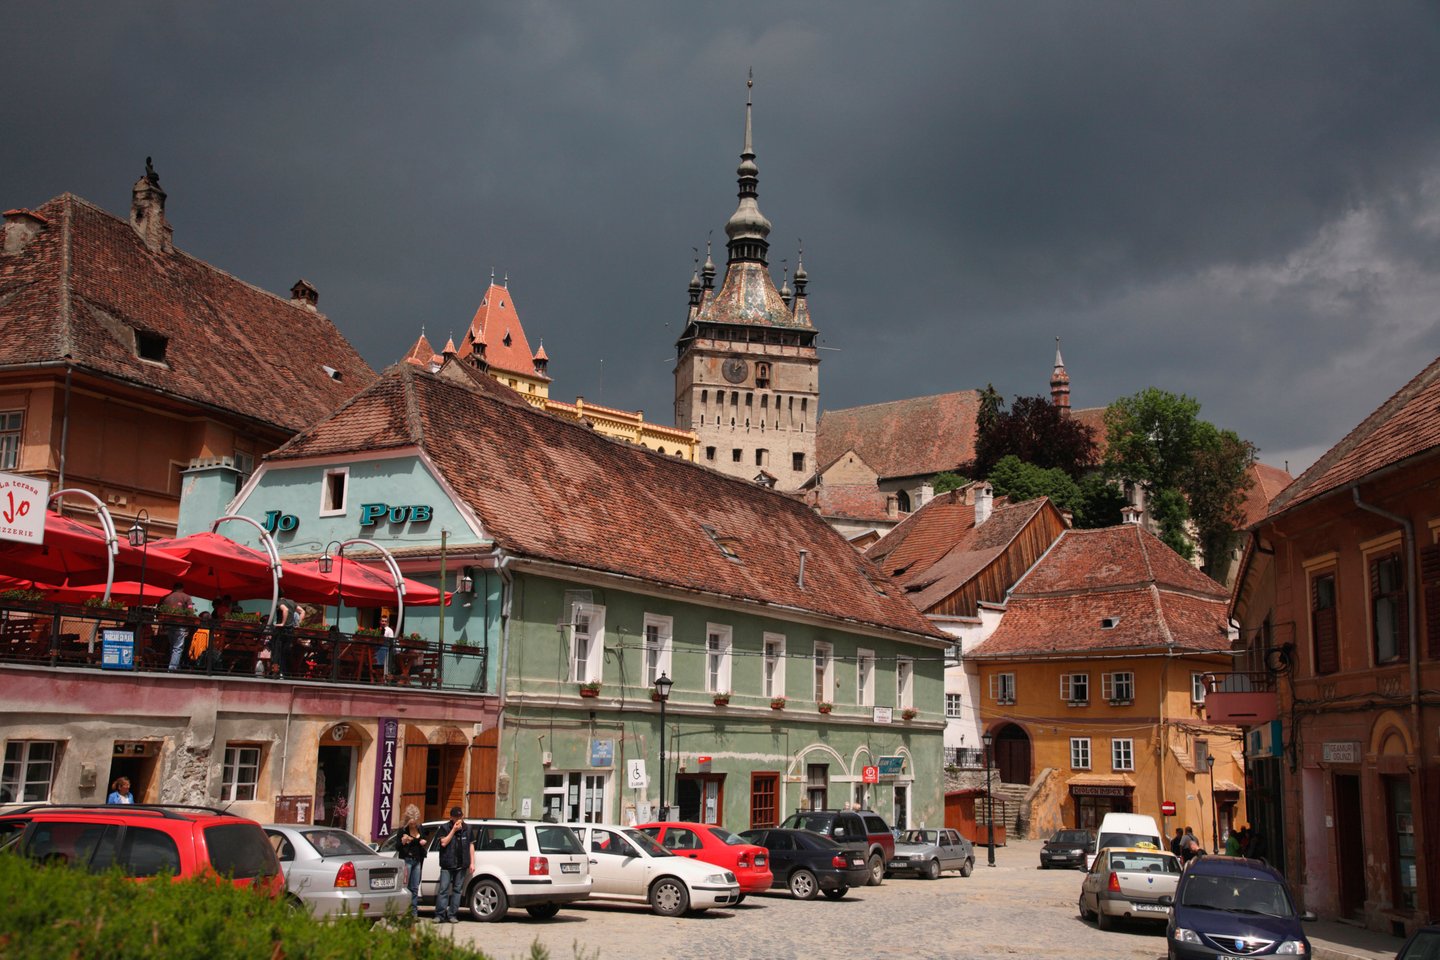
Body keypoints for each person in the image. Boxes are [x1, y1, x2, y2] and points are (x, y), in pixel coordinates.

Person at [434, 806, 471, 923]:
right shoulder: (444, 828)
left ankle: (452, 915)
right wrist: (453, 830)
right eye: (456, 817)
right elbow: (443, 843)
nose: (458, 819)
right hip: (447, 863)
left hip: (461, 864)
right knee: (443, 890)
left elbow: (471, 846)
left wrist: (472, 863)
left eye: (460, 817)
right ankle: (440, 915)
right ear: (451, 818)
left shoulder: (467, 828)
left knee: (457, 890)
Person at [398, 818, 428, 919]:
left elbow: (422, 841)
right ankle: (405, 912)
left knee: (415, 887)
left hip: (417, 860)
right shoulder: (403, 830)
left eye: (414, 822)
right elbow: (397, 847)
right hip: (407, 860)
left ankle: (414, 913)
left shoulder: (420, 828)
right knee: (406, 887)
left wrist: (423, 842)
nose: (413, 824)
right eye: (411, 822)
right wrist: (403, 842)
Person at [160, 582, 194, 671]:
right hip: (180, 625)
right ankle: (172, 668)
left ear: (174, 588)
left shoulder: (165, 597)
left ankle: (174, 665)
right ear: (182, 588)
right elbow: (190, 612)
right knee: (177, 648)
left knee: (173, 646)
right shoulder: (186, 597)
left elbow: (159, 610)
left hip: (168, 625)